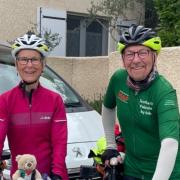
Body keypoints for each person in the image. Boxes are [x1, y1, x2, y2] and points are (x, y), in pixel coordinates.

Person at [101, 25, 180, 180]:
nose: (136, 60)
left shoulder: (164, 92)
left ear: (154, 56)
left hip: (165, 173)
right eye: (129, 54)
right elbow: (107, 107)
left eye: (143, 52)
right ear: (123, 59)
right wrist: (111, 145)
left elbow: (170, 143)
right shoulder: (118, 79)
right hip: (132, 171)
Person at [0, 32, 68, 179]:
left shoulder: (55, 100)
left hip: (49, 176)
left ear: (43, 64)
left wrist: (57, 174)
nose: (29, 65)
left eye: (34, 59)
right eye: (23, 59)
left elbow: (59, 144)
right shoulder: (5, 100)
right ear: (16, 64)